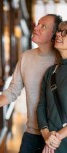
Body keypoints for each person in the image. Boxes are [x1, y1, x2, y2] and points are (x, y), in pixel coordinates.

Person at [0, 14, 62, 153]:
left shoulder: (61, 59)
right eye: (37, 23)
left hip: (58, 136)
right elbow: (13, 90)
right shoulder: (27, 57)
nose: (36, 27)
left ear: (54, 35)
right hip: (32, 132)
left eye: (43, 26)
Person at [37, 21, 67, 153]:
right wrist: (46, 135)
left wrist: (57, 137)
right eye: (59, 31)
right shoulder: (51, 72)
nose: (58, 34)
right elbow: (41, 106)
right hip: (52, 144)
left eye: (65, 32)